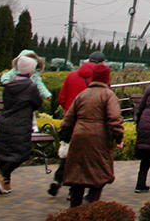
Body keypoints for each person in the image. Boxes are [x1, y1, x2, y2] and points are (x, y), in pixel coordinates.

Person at [60, 63, 123, 207]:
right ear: (107, 79)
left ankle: (74, 210)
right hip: (99, 139)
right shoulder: (108, 95)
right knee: (98, 175)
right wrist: (118, 137)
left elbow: (67, 120)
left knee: (77, 175)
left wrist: (65, 137)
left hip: (79, 137)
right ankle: (90, 206)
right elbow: (114, 119)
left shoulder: (82, 95)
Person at [0, 54, 44, 194]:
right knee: (22, 154)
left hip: (5, 122)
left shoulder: (8, 85)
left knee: (6, 153)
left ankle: (5, 184)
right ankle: (1, 175)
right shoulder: (30, 87)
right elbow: (38, 103)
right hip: (21, 124)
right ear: (30, 71)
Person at [49, 56, 98, 196]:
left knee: (67, 154)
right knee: (82, 157)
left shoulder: (71, 76)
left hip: (70, 122)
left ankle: (57, 180)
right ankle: (74, 190)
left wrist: (69, 111)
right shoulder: (97, 81)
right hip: (87, 123)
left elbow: (61, 98)